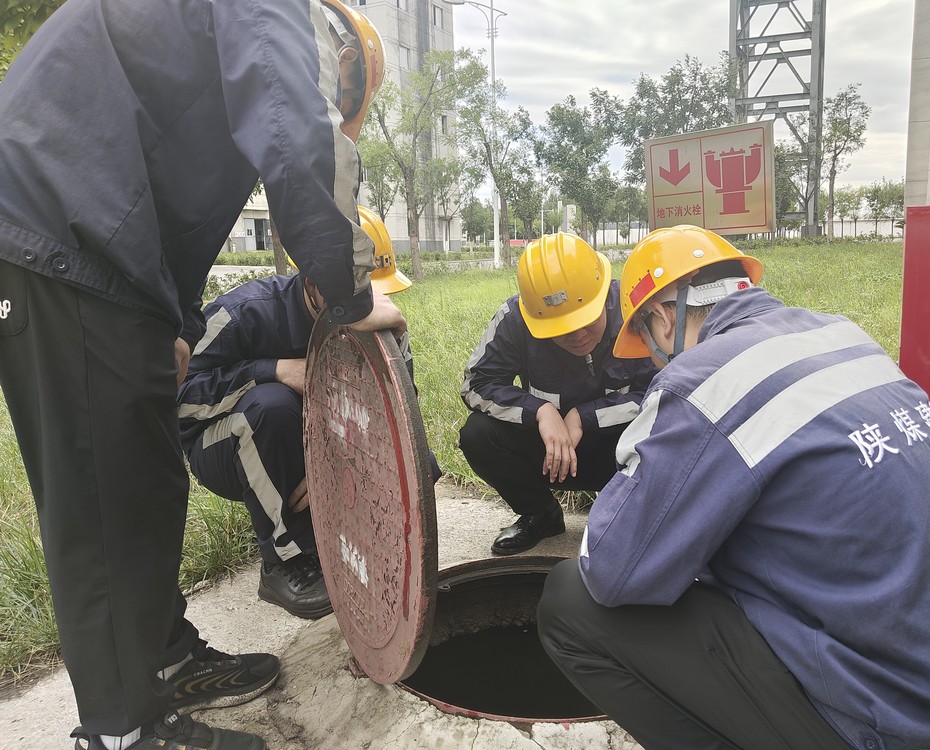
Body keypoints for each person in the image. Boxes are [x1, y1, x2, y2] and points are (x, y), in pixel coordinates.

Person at [0, 1, 402, 749]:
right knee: (102, 499)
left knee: (146, 480)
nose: (334, 114)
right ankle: (123, 731)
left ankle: (163, 657)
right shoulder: (273, 9)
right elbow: (293, 136)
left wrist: (174, 323)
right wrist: (348, 294)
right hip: (56, 233)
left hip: (100, 253)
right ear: (340, 55)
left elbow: (164, 182)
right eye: (343, 102)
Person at [537, 225, 930, 750]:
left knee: (569, 602)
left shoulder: (707, 379)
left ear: (662, 318)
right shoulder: (843, 336)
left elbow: (612, 568)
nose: (652, 356)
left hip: (881, 723)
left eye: (647, 341)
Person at [178, 207, 432, 620]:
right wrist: (272, 370)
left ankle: (338, 529)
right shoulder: (244, 312)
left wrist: (397, 344)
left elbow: (399, 420)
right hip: (226, 443)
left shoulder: (378, 321)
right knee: (271, 407)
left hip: (317, 442)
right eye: (355, 301)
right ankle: (284, 559)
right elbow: (178, 399)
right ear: (312, 284)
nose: (367, 310)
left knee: (424, 466)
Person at [459, 232, 657, 556]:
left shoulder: (637, 310)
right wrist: (539, 411)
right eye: (560, 329)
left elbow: (665, 390)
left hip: (619, 451)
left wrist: (585, 417)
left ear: (604, 293)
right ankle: (541, 514)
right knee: (478, 434)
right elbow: (477, 383)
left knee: (669, 433)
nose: (578, 336)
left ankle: (633, 518)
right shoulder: (514, 318)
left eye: (587, 320)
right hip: (551, 456)